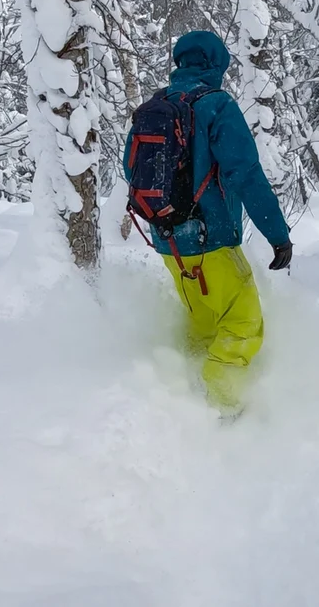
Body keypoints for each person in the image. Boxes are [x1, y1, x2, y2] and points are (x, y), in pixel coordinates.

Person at [125, 30, 292, 418]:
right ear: (217, 65)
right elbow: (246, 173)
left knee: (203, 326)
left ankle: (184, 398)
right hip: (212, 239)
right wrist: (278, 236)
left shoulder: (155, 106)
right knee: (243, 324)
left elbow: (130, 168)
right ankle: (225, 406)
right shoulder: (216, 105)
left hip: (169, 243)